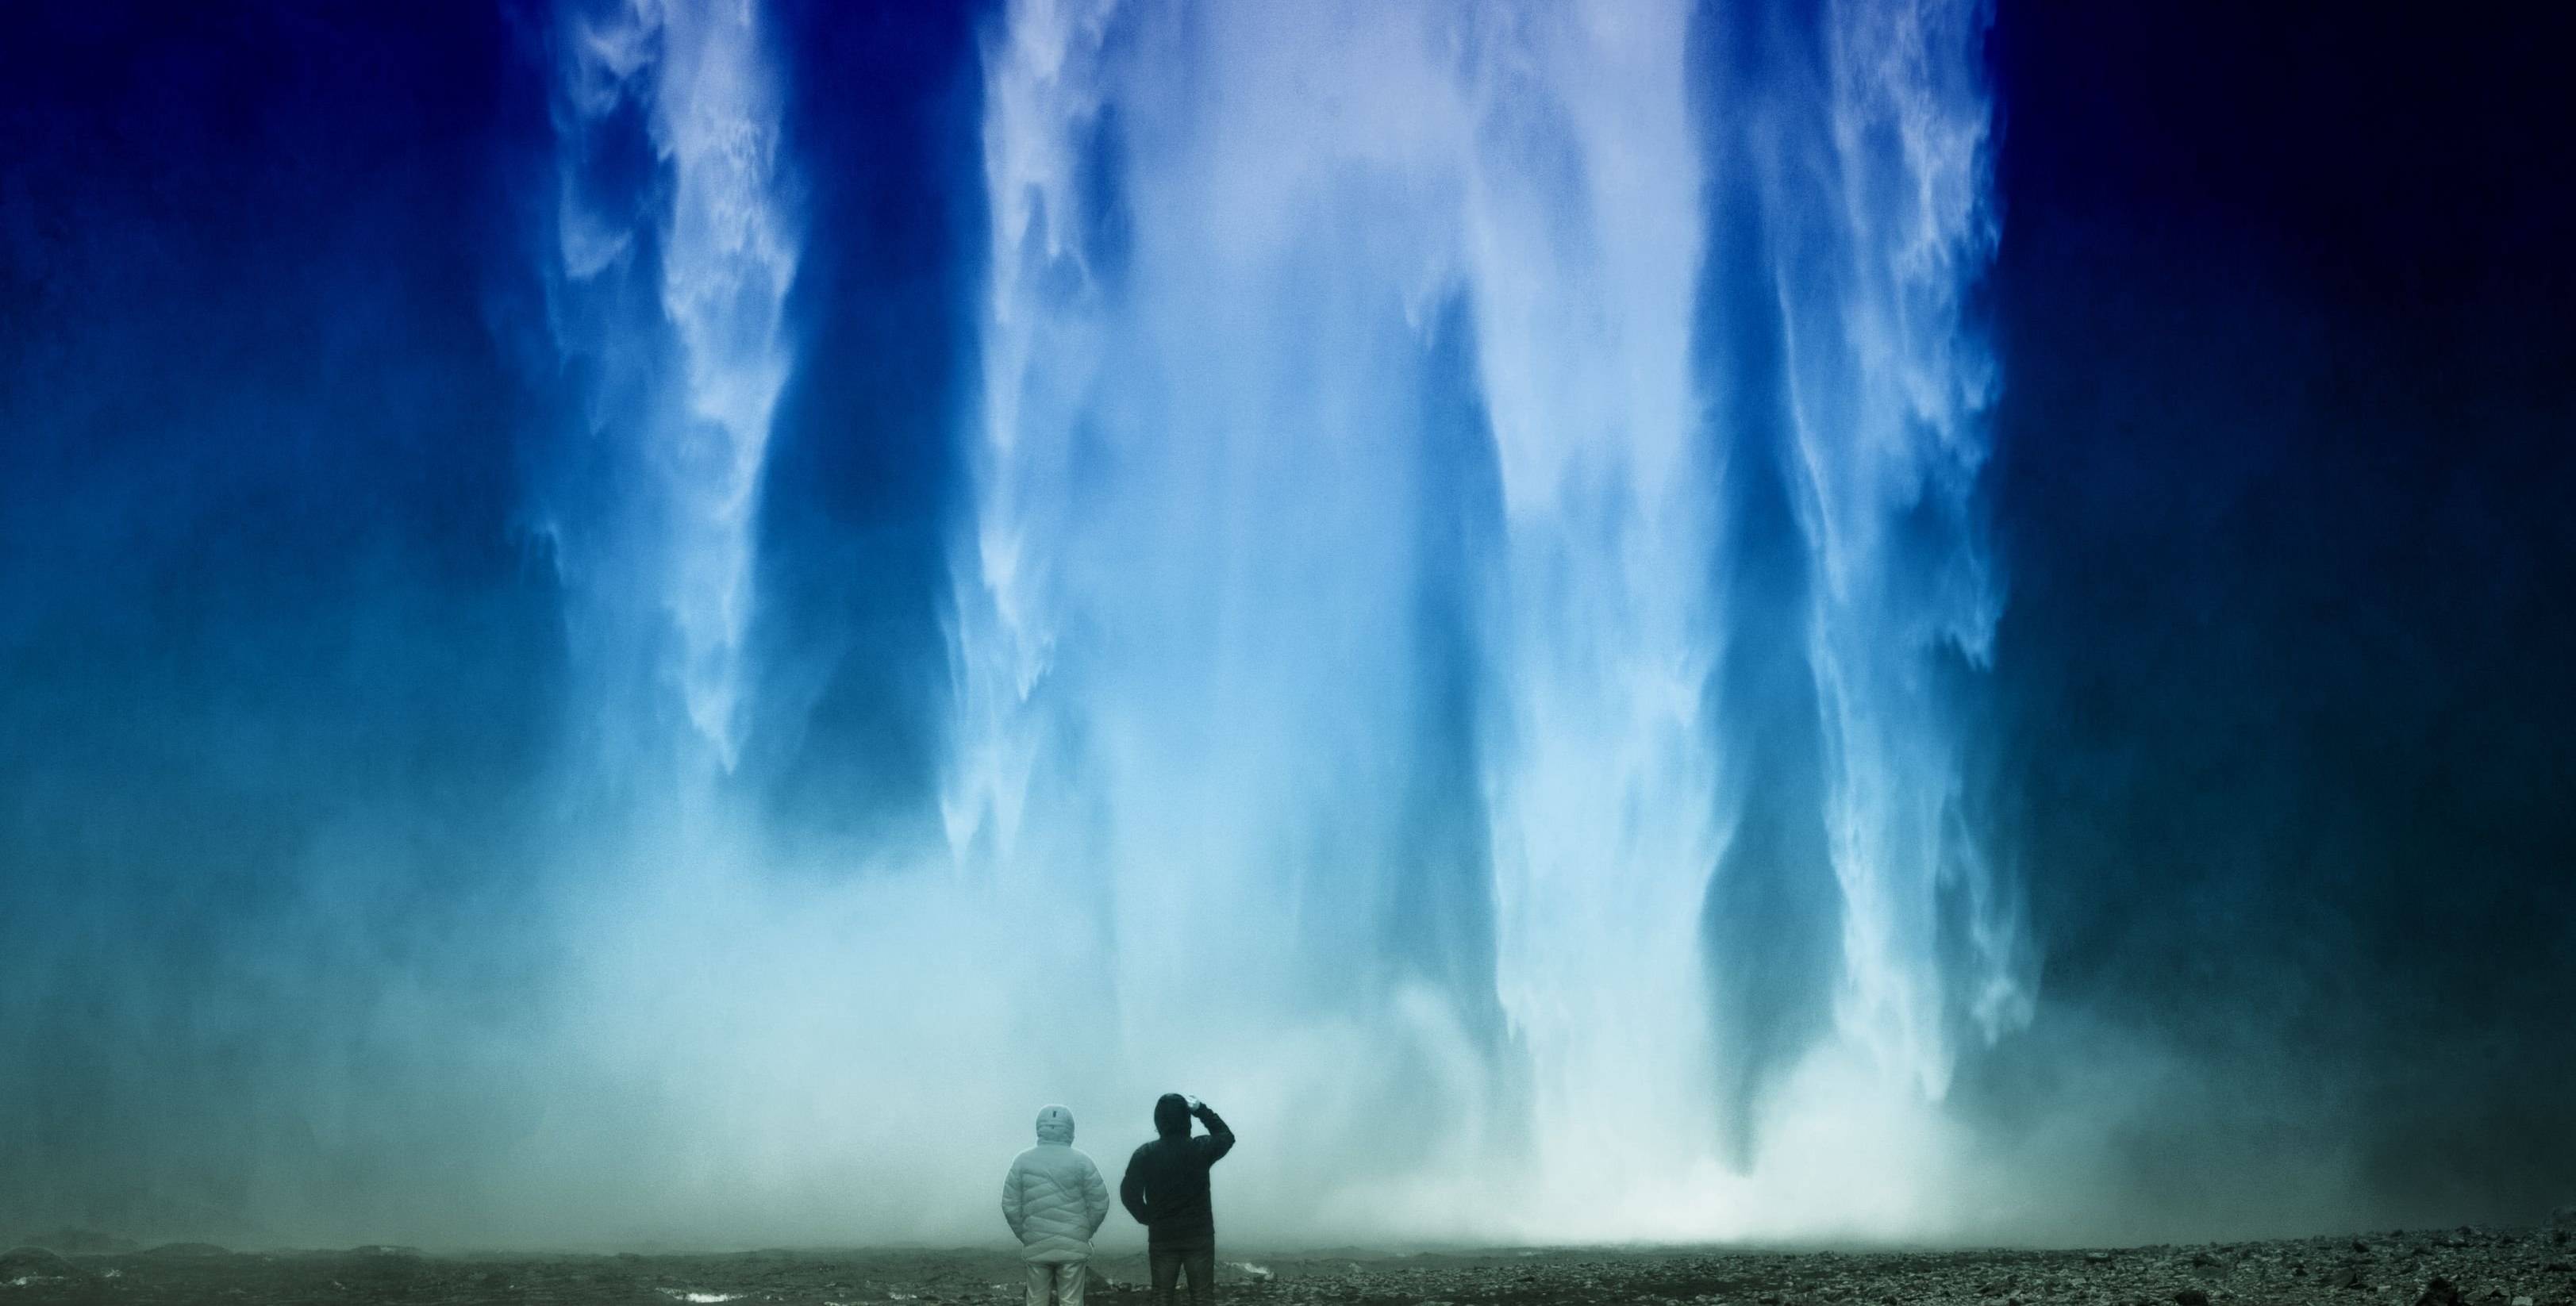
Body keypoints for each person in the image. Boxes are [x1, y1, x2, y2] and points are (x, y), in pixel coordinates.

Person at [1119, 1093, 1236, 1306]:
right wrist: (1201, 1110)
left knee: (1162, 1297)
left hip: (1163, 1235)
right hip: (1199, 1234)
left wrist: (1147, 1217)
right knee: (1202, 1298)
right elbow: (1226, 1136)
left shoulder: (1145, 1154)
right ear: (1186, 1119)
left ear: (1158, 1121)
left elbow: (1128, 1193)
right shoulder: (1200, 1148)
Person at [1003, 1104, 1112, 1306]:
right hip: (1073, 1245)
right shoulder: (1082, 1161)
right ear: (1070, 1130)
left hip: (1036, 1244)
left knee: (1036, 1300)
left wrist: (1026, 1234)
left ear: (1039, 1128)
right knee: (1071, 1301)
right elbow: (1100, 1202)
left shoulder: (1022, 1161)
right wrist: (1084, 1231)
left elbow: (1010, 1205)